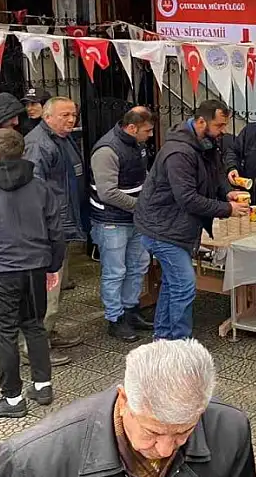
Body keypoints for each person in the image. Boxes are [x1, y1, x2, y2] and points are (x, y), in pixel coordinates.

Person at [0, 339, 256, 476]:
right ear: (124, 400)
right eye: (152, 432)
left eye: (183, 432)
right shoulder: (32, 460)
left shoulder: (230, 429)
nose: (165, 449)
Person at [0, 129, 64, 419]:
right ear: (22, 152)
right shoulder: (42, 188)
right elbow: (56, 232)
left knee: (3, 334)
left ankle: (12, 399)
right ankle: (42, 386)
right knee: (34, 326)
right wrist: (53, 266)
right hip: (33, 268)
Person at [135, 101, 249, 341]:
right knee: (184, 285)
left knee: (173, 283)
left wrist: (225, 193)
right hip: (162, 228)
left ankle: (163, 338)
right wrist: (227, 208)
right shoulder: (179, 152)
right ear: (200, 122)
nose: (222, 131)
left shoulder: (204, 143)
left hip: (173, 226)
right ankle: (179, 343)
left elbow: (213, 176)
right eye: (219, 125)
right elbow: (187, 198)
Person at [24, 96, 85, 358]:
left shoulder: (61, 138)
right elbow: (34, 189)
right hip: (48, 229)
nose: (71, 120)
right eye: (64, 115)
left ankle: (48, 333)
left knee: (55, 287)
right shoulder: (39, 144)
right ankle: (34, 347)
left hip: (61, 224)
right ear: (47, 117)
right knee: (47, 289)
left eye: (73, 114)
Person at [88, 107, 154, 343]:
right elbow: (108, 193)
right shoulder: (107, 150)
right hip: (111, 220)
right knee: (115, 271)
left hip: (133, 218)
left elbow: (142, 176)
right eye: (147, 131)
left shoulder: (137, 144)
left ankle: (130, 309)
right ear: (132, 128)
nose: (150, 135)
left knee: (138, 265)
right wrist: (140, 206)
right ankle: (115, 318)